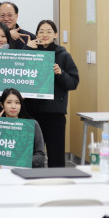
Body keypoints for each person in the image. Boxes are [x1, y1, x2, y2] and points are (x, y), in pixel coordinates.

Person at [24, 20, 79, 168]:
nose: (45, 34)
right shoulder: (29, 52)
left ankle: (57, 181)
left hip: (55, 114)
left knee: (56, 155)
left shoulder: (63, 55)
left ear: (55, 34)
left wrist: (60, 73)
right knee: (30, 154)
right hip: (31, 112)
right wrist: (27, 50)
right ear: (36, 34)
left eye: (49, 31)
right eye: (41, 31)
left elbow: (73, 83)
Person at [0, 88, 45, 168]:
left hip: (27, 171)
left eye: (17, 103)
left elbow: (40, 156)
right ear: (2, 105)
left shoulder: (32, 125)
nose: (13, 106)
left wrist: (19, 162)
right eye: (9, 102)